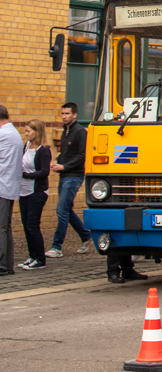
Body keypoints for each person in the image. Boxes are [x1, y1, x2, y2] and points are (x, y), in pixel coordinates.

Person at [46, 102, 91, 258]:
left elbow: (82, 155)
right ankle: (86, 236)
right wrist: (57, 161)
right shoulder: (66, 131)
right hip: (64, 175)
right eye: (62, 114)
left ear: (75, 115)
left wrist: (64, 166)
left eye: (67, 114)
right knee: (66, 209)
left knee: (61, 211)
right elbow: (66, 153)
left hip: (74, 176)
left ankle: (56, 247)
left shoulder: (80, 132)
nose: (64, 116)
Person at [17, 119, 51, 270]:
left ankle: (40, 259)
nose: (26, 134)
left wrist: (26, 175)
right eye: (25, 131)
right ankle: (32, 256)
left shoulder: (43, 150)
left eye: (28, 131)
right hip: (23, 191)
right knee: (26, 225)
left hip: (37, 192)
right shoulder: (26, 146)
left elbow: (44, 172)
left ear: (37, 132)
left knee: (32, 225)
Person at [0, 105, 23, 275]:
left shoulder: (3, 134)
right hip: (9, 186)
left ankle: (1, 264)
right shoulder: (14, 133)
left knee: (1, 227)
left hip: (2, 185)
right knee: (5, 227)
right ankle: (7, 264)